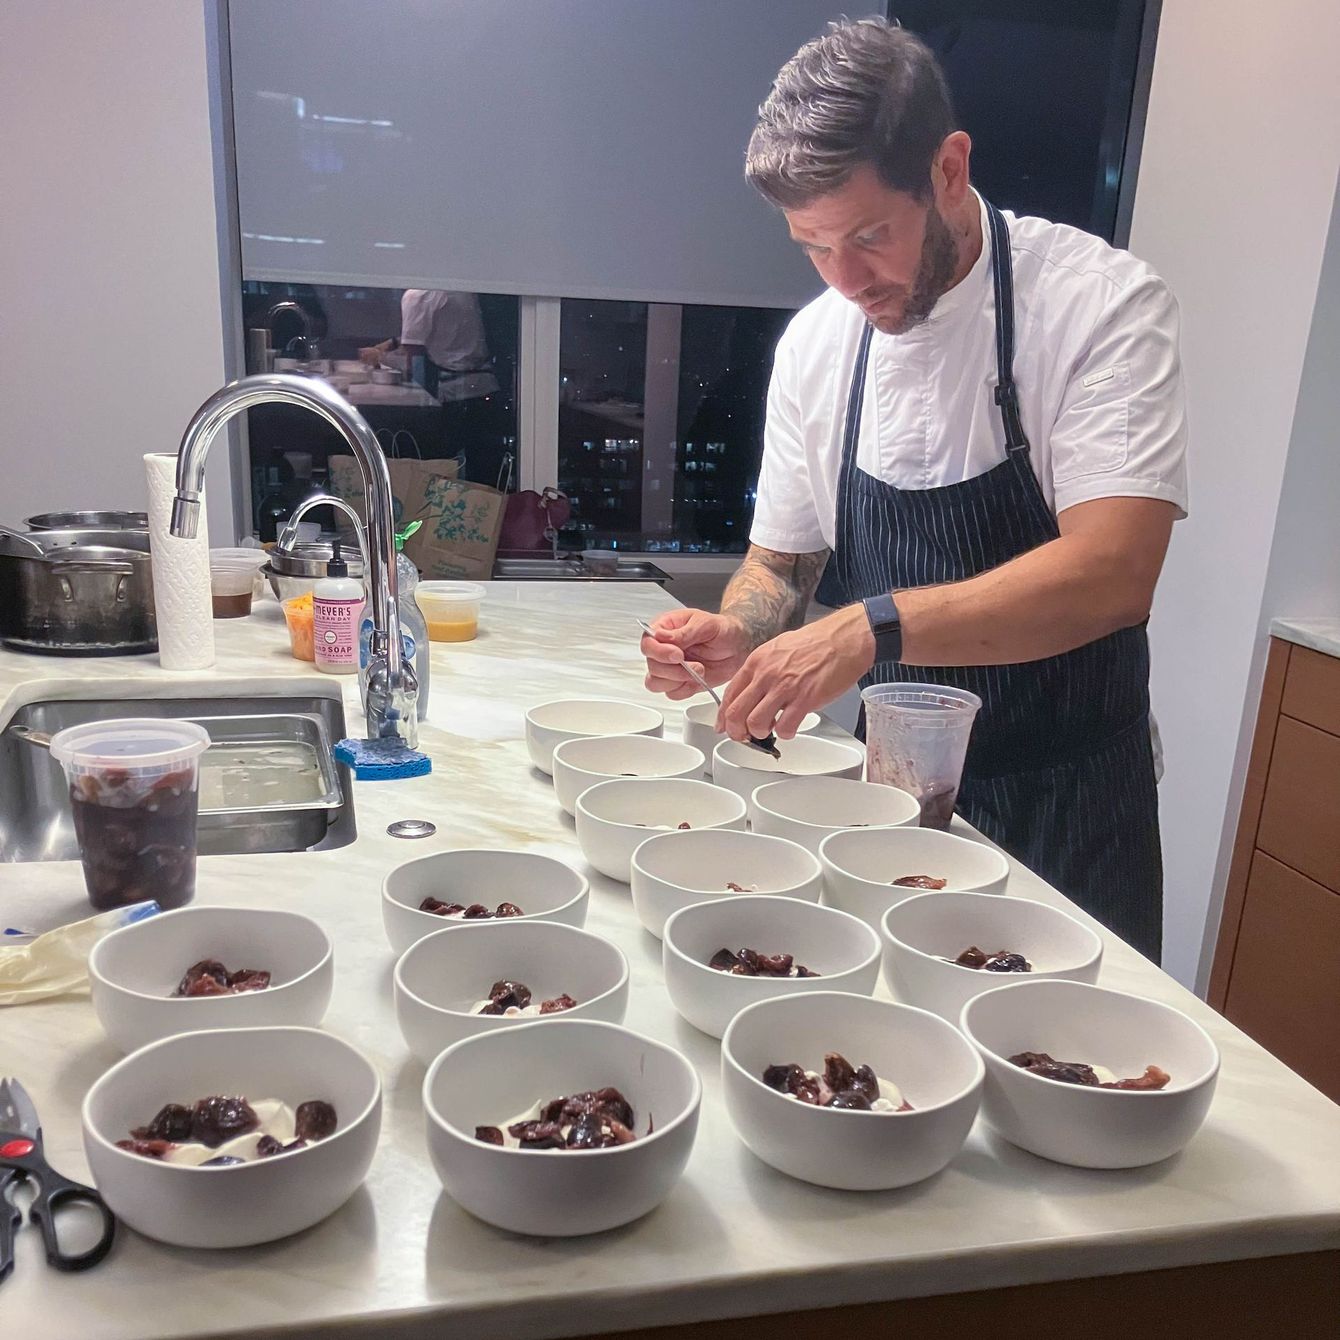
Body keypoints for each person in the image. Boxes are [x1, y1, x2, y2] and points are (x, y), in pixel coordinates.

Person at [640, 19, 1187, 960]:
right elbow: (782, 563)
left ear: (948, 168)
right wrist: (741, 631)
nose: (846, 278)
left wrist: (868, 628)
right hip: (892, 810)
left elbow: (1113, 572)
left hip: (1074, 805)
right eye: (812, 246)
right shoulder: (816, 346)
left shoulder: (1100, 306)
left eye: (867, 236)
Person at [361, 289, 508, 482]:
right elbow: (442, 329)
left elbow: (412, 361)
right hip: (486, 390)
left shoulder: (417, 295)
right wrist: (392, 343)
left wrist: (378, 357)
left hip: (453, 398)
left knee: (436, 477)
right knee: (485, 484)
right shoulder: (461, 287)